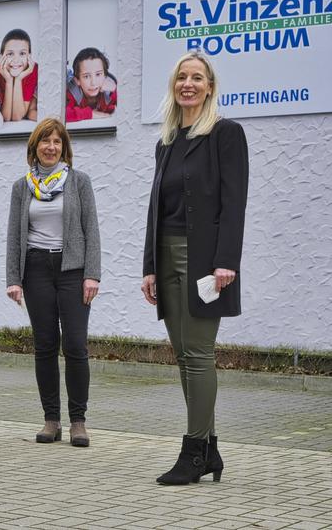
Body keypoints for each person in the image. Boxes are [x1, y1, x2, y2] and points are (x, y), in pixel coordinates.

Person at [142, 52, 249, 485]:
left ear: (209, 86)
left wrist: (226, 261)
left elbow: (233, 203)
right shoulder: (165, 142)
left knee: (199, 355)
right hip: (166, 255)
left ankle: (193, 452)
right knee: (184, 359)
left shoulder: (226, 134)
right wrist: (150, 266)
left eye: (197, 78)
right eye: (182, 77)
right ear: (174, 85)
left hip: (203, 259)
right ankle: (210, 450)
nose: (188, 84)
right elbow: (157, 209)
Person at [5, 117, 100, 447]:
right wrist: (13, 279)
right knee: (44, 346)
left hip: (73, 270)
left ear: (64, 148)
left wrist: (92, 274)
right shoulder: (22, 186)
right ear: (35, 147)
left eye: (57, 142)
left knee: (75, 345)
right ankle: (51, 420)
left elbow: (92, 231)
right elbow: (15, 235)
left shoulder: (79, 182)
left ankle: (78, 421)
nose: (51, 147)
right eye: (45, 141)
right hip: (36, 270)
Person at [0, 29, 37, 123]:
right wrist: (9, 81)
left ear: (29, 56)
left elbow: (17, 116)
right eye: (10, 54)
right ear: (1, 57)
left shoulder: (33, 70)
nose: (16, 60)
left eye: (22, 53)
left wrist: (19, 79)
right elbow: (6, 117)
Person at [66, 48, 117, 122]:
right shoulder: (72, 92)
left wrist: (115, 90)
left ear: (105, 76)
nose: (93, 82)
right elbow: (61, 113)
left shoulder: (110, 91)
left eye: (98, 74)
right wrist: (90, 114)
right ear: (77, 80)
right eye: (86, 76)